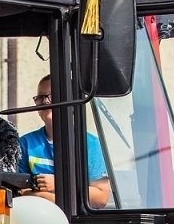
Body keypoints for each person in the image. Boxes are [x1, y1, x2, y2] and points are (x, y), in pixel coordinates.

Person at [19, 74, 111, 208]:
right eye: (40, 97)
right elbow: (21, 192)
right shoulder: (25, 143)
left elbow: (101, 198)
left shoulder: (89, 143)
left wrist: (58, 186)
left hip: (77, 222)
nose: (46, 102)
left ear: (72, 103)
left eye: (53, 96)